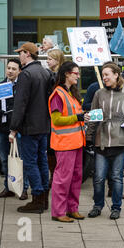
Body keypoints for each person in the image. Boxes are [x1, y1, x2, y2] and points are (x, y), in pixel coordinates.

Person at [86, 62, 124, 220]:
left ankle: (116, 207)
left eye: (107, 74)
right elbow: (93, 116)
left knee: (116, 177)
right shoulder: (99, 93)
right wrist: (89, 137)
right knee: (99, 177)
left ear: (116, 74)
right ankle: (97, 206)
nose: (104, 77)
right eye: (103, 74)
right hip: (102, 141)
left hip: (120, 142)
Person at [9, 42, 54, 214]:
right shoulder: (45, 72)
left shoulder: (26, 74)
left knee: (30, 162)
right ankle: (43, 199)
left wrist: (13, 129)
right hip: (44, 126)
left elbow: (20, 104)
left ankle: (37, 197)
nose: (19, 56)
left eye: (20, 53)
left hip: (30, 126)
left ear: (27, 54)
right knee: (42, 161)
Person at [48, 61, 89, 223]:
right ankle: (58, 211)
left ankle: (72, 209)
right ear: (66, 74)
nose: (78, 76)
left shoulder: (70, 93)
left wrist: (83, 116)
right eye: (75, 73)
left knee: (76, 177)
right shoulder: (58, 94)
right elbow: (56, 120)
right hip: (65, 143)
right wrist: (77, 117)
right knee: (63, 179)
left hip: (76, 142)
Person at [0, 58, 29, 200]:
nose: (10, 71)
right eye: (8, 68)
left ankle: (24, 188)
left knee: (21, 160)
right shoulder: (0, 86)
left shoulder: (23, 87)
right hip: (3, 129)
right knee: (4, 159)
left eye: (14, 69)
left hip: (19, 129)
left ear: (20, 71)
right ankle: (8, 187)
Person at [44, 48, 65, 188]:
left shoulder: (57, 77)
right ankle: (54, 174)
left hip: (56, 115)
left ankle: (55, 175)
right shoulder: (51, 75)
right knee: (51, 148)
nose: (47, 61)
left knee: (54, 148)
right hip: (51, 115)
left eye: (50, 59)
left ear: (57, 61)